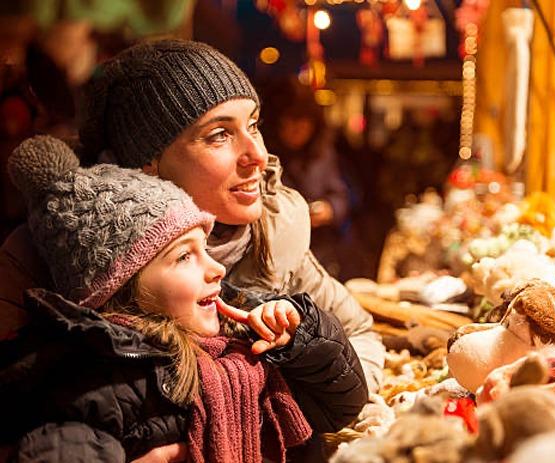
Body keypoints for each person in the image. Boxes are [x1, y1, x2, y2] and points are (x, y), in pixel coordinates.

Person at [0, 39, 384, 393]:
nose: (259, 156)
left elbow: (359, 334)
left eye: (253, 125)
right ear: (147, 163)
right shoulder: (53, 250)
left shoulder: (271, 234)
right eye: (219, 134)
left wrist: (316, 411)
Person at [0, 136, 367, 462]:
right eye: (184, 256)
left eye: (204, 248)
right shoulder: (91, 385)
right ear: (121, 286)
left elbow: (340, 407)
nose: (216, 270)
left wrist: (301, 340)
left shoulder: (238, 347)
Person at [259, 76, 352, 278]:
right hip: (274, 256)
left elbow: (340, 196)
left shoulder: (322, 154)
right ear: (278, 121)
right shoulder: (262, 157)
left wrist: (330, 210)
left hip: (320, 253)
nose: (298, 129)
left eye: (305, 121)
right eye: (291, 120)